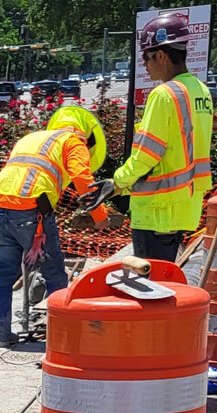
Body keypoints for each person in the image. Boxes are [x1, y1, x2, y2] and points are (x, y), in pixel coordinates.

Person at [81, 12, 213, 261]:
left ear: (161, 55)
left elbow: (147, 155)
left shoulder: (164, 95)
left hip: (157, 210)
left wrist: (116, 182)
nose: (144, 63)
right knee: (165, 282)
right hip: (185, 207)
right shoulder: (200, 91)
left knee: (151, 290)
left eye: (146, 56)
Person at [0, 106, 109, 347]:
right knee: (54, 275)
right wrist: (100, 215)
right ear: (84, 132)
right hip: (32, 211)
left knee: (1, 277)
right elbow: (83, 179)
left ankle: (3, 336)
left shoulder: (32, 138)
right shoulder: (74, 142)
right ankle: (61, 338)